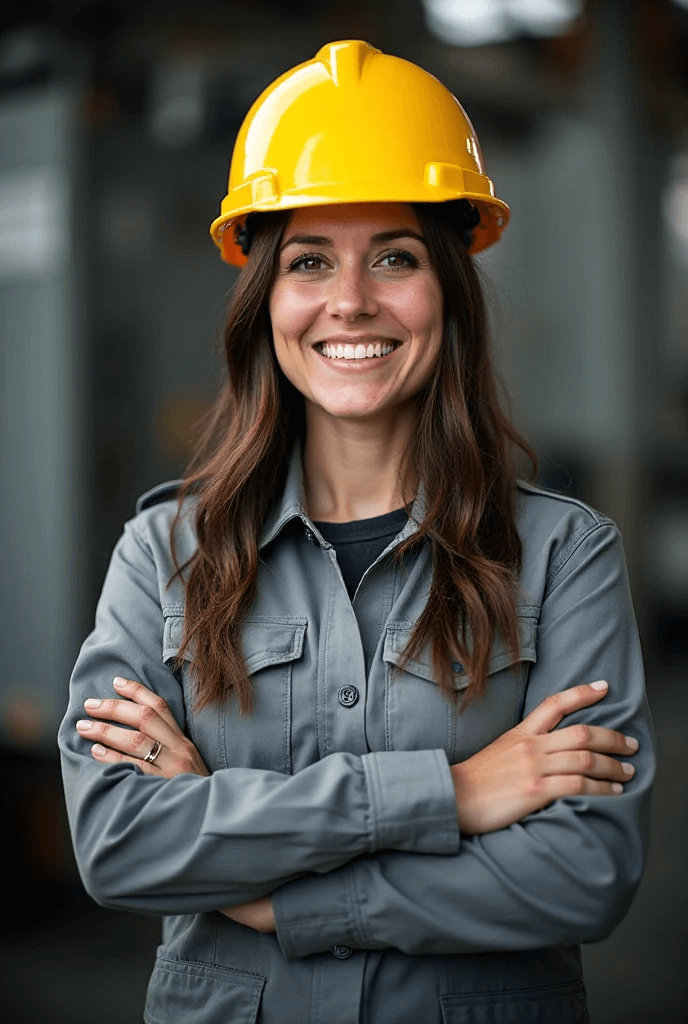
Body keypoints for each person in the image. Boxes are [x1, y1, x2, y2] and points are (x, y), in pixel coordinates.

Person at [58, 40, 654, 1024]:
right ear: (265, 300)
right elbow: (120, 842)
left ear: (447, 292)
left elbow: (584, 870)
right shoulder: (165, 552)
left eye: (394, 256)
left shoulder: (562, 556)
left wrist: (262, 889)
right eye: (308, 261)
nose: (350, 300)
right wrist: (453, 795)